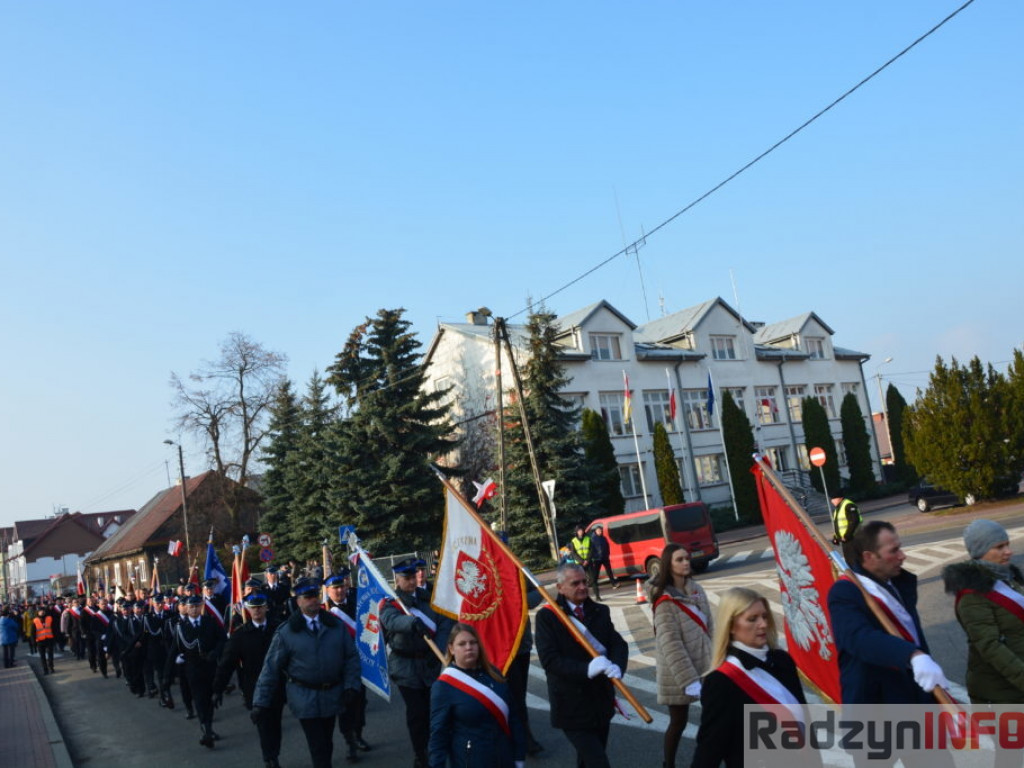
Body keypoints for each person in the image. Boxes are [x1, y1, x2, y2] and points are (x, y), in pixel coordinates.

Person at [827, 520, 949, 705]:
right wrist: (911, 655)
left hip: (915, 695)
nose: (902, 556)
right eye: (893, 551)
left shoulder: (898, 583)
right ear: (869, 556)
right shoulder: (845, 591)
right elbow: (858, 638)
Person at [691, 587, 812, 768]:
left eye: (764, 616)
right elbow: (709, 750)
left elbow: (805, 726)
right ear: (731, 626)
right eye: (752, 619)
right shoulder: (721, 681)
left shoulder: (782, 661)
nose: (763, 624)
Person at [253, 577, 361, 768]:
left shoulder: (335, 626)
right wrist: (260, 702)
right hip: (304, 696)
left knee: (327, 742)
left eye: (315, 596)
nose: (313, 600)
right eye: (307, 597)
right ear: (298, 601)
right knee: (317, 745)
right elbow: (271, 668)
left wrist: (351, 685)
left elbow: (351, 657)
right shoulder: (287, 632)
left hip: (331, 694)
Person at [535, 563, 628, 768]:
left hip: (600, 701)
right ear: (560, 587)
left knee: (587, 761)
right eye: (575, 583)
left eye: (585, 581)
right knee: (599, 763)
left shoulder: (600, 611)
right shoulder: (548, 617)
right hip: (572, 706)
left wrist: (618, 666)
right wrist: (586, 669)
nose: (583, 587)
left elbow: (618, 644)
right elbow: (550, 660)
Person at [380, 557, 453, 768]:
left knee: (433, 710)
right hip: (405, 667)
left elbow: (445, 622)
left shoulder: (429, 599)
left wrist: (438, 648)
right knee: (417, 713)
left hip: (430, 663)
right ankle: (420, 754)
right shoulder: (392, 602)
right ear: (397, 579)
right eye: (407, 578)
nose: (412, 581)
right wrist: (412, 622)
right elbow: (391, 620)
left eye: (413, 577)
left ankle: (434, 749)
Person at [943, 519, 1024, 702]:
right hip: (1000, 693)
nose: (1008, 551)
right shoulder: (972, 594)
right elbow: (990, 647)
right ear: (981, 551)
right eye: (999, 547)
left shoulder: (1006, 578)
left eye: (1007, 544)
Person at [428, 622, 526, 768]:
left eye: (473, 642)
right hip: (471, 761)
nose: (469, 647)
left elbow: (513, 717)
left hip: (504, 757)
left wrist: (519, 755)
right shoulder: (443, 686)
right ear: (451, 649)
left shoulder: (494, 674)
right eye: (462, 644)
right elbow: (438, 734)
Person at [648, 544, 711, 768]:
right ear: (668, 564)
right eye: (679, 559)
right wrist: (688, 680)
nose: (686, 562)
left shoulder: (696, 589)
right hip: (677, 670)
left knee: (716, 717)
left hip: (705, 662)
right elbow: (670, 643)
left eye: (687, 558)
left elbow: (710, 626)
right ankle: (669, 764)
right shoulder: (664, 601)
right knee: (678, 722)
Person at [215, 592, 285, 768]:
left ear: (266, 607)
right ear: (247, 609)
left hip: (276, 687)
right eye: (253, 608)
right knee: (263, 724)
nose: (257, 611)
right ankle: (270, 758)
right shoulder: (241, 635)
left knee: (275, 724)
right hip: (254, 688)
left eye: (260, 607)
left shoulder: (278, 629)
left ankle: (274, 753)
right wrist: (218, 689)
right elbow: (227, 663)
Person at [324, 569, 372, 761]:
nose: (339, 591)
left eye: (341, 587)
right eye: (334, 588)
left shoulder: (357, 605)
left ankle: (358, 734)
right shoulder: (324, 613)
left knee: (360, 704)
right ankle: (350, 742)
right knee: (345, 706)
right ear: (327, 591)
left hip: (360, 664)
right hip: (338, 667)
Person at [172, 593, 227, 747]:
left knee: (210, 699)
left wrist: (215, 652)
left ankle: (208, 726)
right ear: (186, 608)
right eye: (191, 607)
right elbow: (174, 649)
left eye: (197, 606)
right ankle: (206, 728)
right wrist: (167, 677)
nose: (194, 609)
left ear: (201, 606)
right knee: (199, 699)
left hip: (210, 667)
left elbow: (222, 640)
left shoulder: (210, 622)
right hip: (193, 669)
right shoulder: (181, 627)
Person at [588, 525, 618, 600]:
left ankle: (613, 583)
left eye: (601, 530)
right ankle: (594, 584)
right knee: (596, 573)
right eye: (598, 531)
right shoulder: (592, 539)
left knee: (609, 571)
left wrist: (607, 554)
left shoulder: (603, 538)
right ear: (595, 531)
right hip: (597, 559)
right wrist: (594, 556)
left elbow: (607, 546)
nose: (600, 532)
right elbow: (591, 549)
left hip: (604, 557)